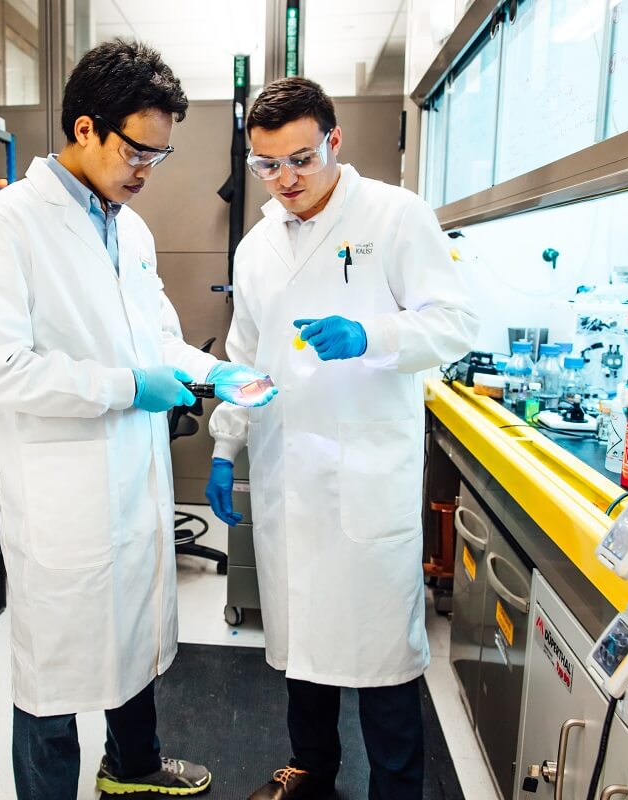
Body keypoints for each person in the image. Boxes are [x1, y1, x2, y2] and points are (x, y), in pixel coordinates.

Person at [0, 39, 276, 800]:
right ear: (85, 128)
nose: (146, 170)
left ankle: (132, 766)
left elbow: (157, 337)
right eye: (138, 151)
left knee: (133, 640)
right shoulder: (6, 224)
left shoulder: (129, 229)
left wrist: (213, 371)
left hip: (133, 479)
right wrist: (127, 386)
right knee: (53, 673)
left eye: (160, 155)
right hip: (64, 496)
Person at [206, 78, 479, 800]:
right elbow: (244, 355)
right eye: (267, 165)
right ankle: (311, 771)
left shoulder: (394, 215)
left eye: (300, 159)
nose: (285, 179)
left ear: (334, 141)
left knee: (381, 657)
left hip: (365, 475)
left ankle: (396, 789)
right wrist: (226, 446)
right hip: (286, 474)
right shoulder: (257, 246)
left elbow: (456, 324)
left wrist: (372, 335)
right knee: (302, 644)